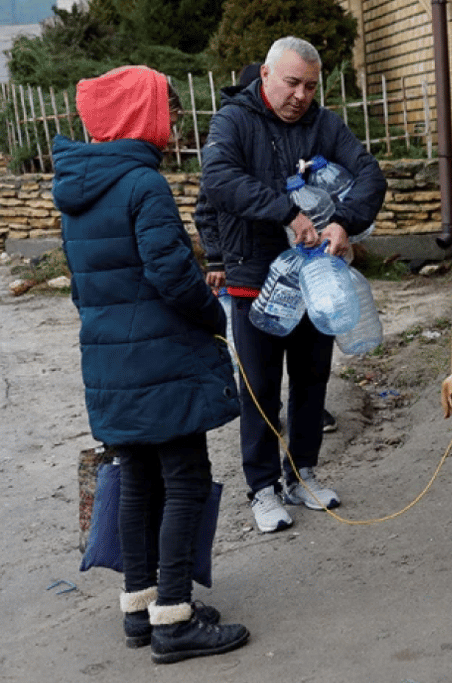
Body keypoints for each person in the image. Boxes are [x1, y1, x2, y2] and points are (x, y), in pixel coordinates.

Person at [52, 66, 251, 662]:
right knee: (184, 480)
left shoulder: (77, 191)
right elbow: (170, 274)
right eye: (162, 104)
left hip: (111, 362)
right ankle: (175, 619)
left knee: (137, 480)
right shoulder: (142, 184)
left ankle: (140, 610)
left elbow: (82, 290)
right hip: (161, 361)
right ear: (140, 115)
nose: (169, 115)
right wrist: (213, 318)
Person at [201, 36, 387, 533]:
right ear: (265, 76)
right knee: (260, 389)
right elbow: (219, 180)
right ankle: (262, 487)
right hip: (253, 277)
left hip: (315, 281)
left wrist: (343, 220)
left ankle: (302, 474)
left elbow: (370, 175)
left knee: (311, 382)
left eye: (309, 85)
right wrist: (286, 210)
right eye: (291, 83)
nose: (301, 95)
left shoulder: (324, 125)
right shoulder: (233, 122)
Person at [195, 61, 336, 433]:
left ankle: (307, 426)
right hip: (252, 272)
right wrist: (217, 258)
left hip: (301, 267)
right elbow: (209, 206)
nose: (297, 99)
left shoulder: (301, 133)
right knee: (260, 376)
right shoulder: (233, 133)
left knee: (308, 366)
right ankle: (266, 443)